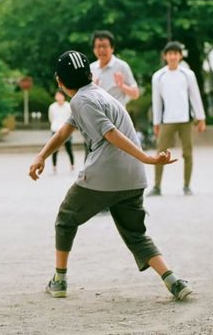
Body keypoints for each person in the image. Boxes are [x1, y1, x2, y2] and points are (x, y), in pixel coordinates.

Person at [28, 50, 192, 301]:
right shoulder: (98, 95)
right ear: (90, 74)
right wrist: (42, 155)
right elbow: (64, 131)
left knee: (65, 219)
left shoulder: (80, 101)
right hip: (132, 178)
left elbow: (110, 133)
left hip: (104, 175)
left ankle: (59, 280)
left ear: (59, 81)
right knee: (135, 234)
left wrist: (147, 157)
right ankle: (173, 280)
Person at [148, 41, 206, 197]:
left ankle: (187, 185)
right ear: (165, 56)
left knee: (188, 153)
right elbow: (157, 101)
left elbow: (195, 97)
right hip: (167, 120)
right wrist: (156, 122)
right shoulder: (158, 76)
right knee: (160, 153)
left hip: (185, 120)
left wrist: (201, 118)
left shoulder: (188, 74)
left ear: (180, 56)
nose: (173, 56)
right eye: (170, 53)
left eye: (176, 53)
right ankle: (157, 186)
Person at [89, 30, 140, 106]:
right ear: (94, 49)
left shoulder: (122, 66)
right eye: (98, 46)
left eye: (105, 46)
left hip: (117, 115)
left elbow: (135, 94)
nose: (102, 50)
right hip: (97, 115)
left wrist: (122, 86)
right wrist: (91, 88)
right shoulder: (91, 68)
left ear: (112, 48)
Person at [47, 90, 75, 173]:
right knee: (54, 149)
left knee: (69, 148)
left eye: (60, 95)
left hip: (66, 130)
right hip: (55, 129)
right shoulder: (52, 107)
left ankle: (72, 164)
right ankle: (54, 166)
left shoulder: (68, 106)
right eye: (57, 95)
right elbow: (51, 118)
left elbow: (71, 117)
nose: (59, 97)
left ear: (64, 96)